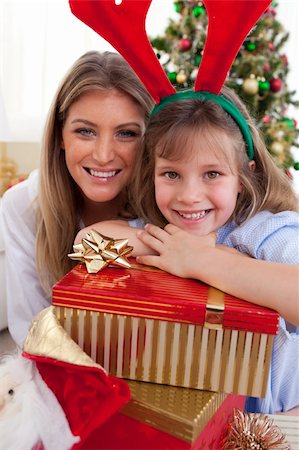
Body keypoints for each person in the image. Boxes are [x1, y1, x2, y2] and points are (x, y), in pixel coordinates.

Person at [76, 85, 299, 414]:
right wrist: (176, 249)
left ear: (242, 176)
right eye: (171, 174)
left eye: (212, 173)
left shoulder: (264, 233)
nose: (189, 195)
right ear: (151, 174)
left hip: (273, 422)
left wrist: (206, 261)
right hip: (194, 416)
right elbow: (86, 243)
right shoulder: (167, 236)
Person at [1, 50, 153, 348]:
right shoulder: (22, 205)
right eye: (85, 131)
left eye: (126, 134)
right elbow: (31, 332)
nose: (103, 155)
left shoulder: (170, 206)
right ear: (60, 135)